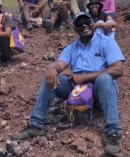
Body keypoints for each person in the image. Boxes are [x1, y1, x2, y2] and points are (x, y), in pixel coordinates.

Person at [10, 11, 125, 156]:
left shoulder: (106, 42)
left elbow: (118, 69)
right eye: (79, 23)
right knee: (51, 78)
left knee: (105, 79)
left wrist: (85, 77)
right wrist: (52, 68)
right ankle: (36, 125)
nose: (84, 25)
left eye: (86, 21)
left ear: (93, 24)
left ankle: (114, 133)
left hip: (99, 89)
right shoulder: (72, 48)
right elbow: (59, 64)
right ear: (75, 28)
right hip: (79, 89)